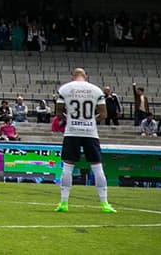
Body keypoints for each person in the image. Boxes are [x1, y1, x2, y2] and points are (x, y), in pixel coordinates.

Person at [54, 67, 115, 214]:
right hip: (90, 132)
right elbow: (104, 114)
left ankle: (64, 202)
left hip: (72, 131)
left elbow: (58, 112)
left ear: (72, 77)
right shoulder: (96, 90)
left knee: (68, 166)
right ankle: (104, 203)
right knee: (97, 166)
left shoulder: (65, 89)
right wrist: (90, 121)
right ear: (85, 77)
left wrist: (70, 119)